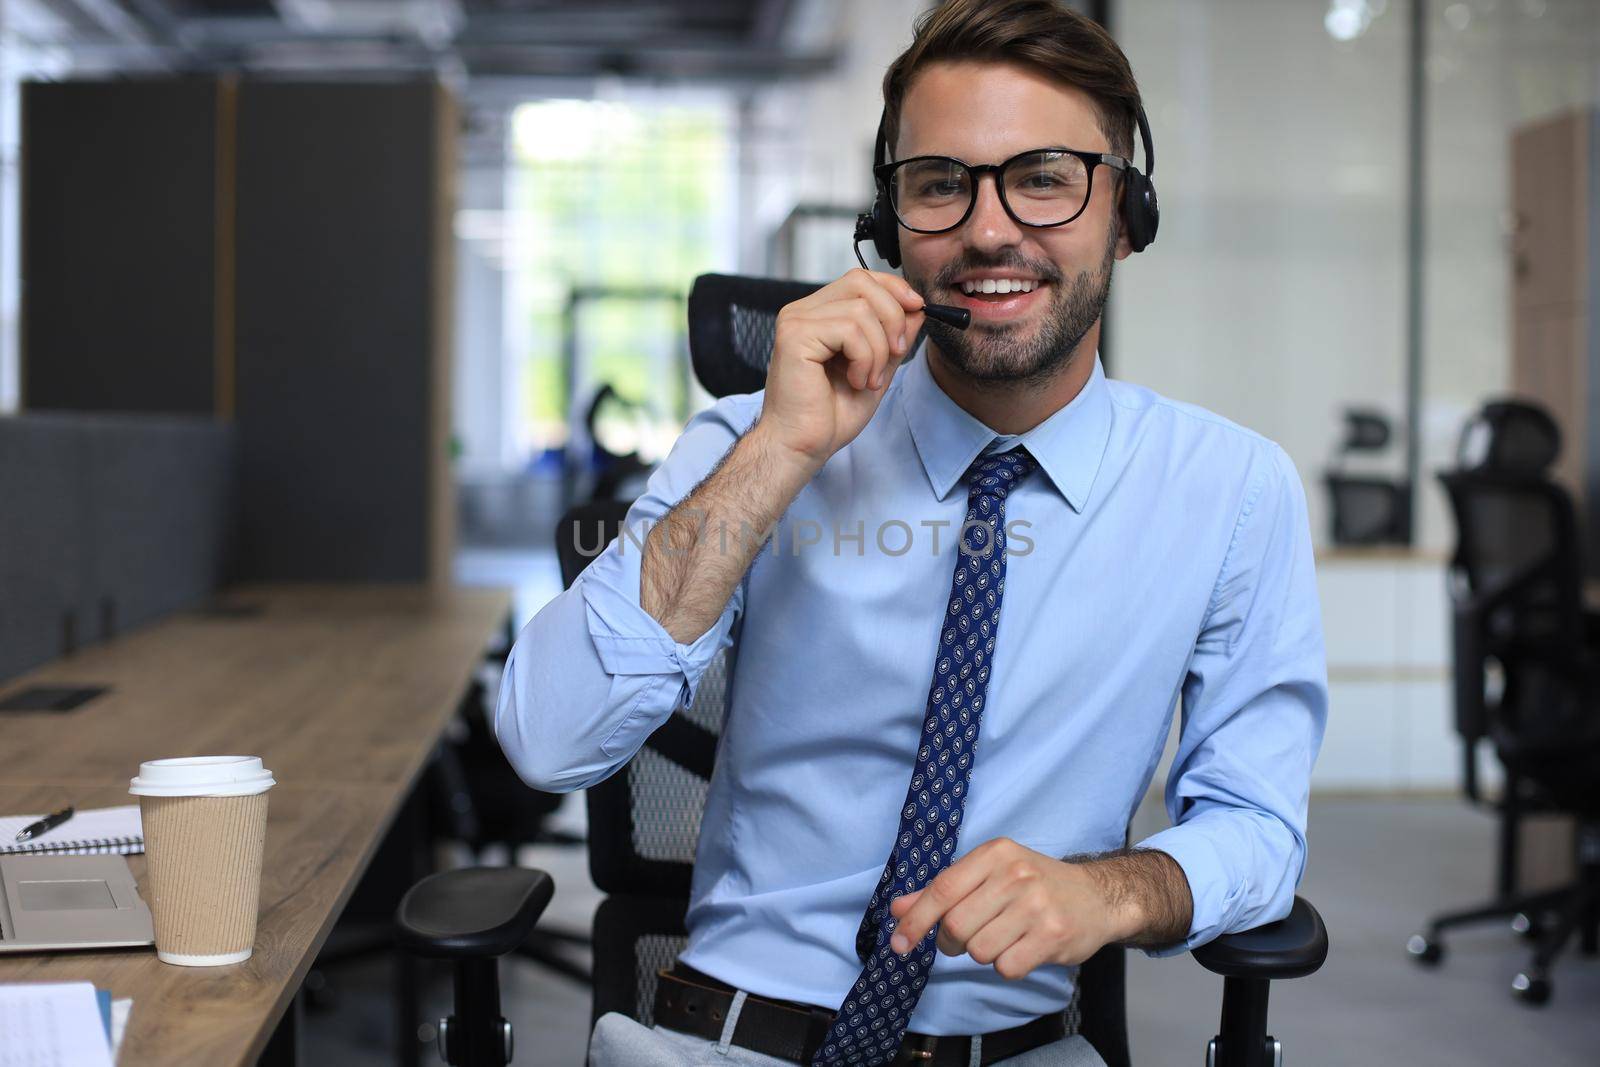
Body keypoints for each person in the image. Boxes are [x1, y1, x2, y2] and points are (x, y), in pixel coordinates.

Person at [495, 2, 1327, 1064]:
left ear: (1126, 213)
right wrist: (779, 450)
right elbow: (549, 739)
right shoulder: (749, 443)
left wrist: (1114, 888)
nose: (988, 229)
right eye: (940, 182)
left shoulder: (1231, 491)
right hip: (730, 1041)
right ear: (888, 228)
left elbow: (1257, 826)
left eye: (1043, 177)